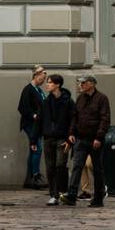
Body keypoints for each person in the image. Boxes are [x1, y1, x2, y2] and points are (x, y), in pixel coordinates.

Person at [63, 74, 110, 207]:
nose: (80, 85)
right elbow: (74, 117)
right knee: (77, 166)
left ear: (91, 84)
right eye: (80, 83)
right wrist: (71, 133)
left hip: (94, 139)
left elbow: (105, 119)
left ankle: (98, 197)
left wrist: (99, 137)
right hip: (81, 138)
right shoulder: (80, 99)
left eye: (83, 83)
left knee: (97, 169)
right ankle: (71, 195)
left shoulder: (102, 98)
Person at [39, 74, 75, 205]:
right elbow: (39, 121)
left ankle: (63, 191)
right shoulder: (45, 102)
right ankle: (54, 195)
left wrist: (70, 137)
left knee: (60, 165)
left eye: (50, 83)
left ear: (57, 85)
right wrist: (33, 139)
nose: (47, 85)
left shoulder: (68, 102)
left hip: (62, 138)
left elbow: (73, 120)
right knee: (50, 167)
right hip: (48, 138)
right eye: (47, 82)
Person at [17, 65, 47, 189]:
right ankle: (35, 176)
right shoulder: (28, 89)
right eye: (42, 78)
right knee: (37, 148)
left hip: (37, 125)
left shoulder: (39, 90)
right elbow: (22, 107)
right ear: (36, 75)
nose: (44, 80)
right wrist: (33, 115)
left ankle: (29, 180)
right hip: (30, 125)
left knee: (33, 150)